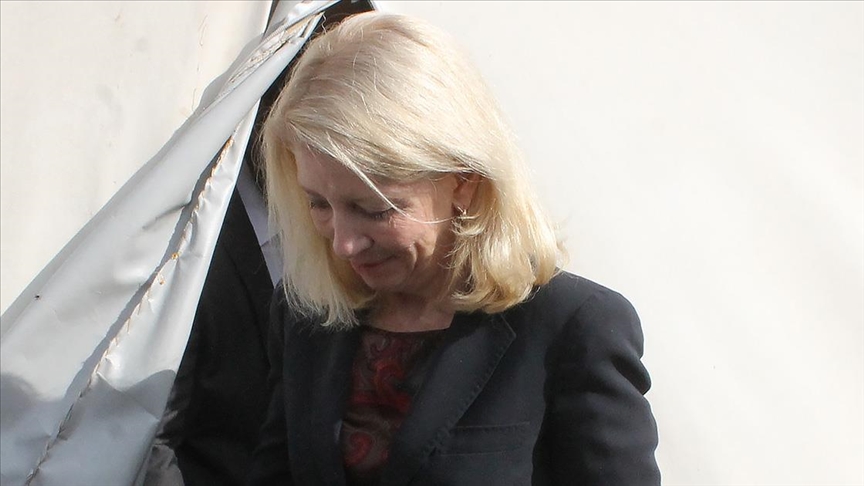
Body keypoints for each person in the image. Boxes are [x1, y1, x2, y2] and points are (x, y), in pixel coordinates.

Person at [248, 11, 660, 486]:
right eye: (318, 204)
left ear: (464, 180)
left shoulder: (573, 327)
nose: (343, 243)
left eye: (375, 209)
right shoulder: (307, 314)